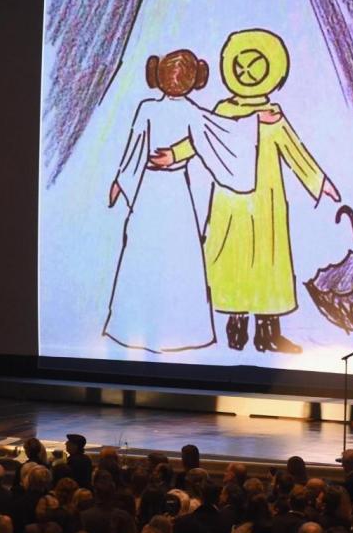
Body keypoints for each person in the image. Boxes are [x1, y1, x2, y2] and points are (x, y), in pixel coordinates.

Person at [152, 29, 340, 353]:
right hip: (231, 203)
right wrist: (173, 154)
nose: (247, 73)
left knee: (268, 262)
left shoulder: (273, 116)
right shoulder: (225, 111)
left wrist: (319, 182)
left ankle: (268, 334)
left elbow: (295, 151)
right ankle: (235, 328)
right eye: (242, 66)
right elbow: (203, 137)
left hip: (266, 202)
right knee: (232, 260)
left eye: (255, 66)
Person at [105, 48, 279, 353]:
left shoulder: (191, 112)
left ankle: (182, 332)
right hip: (153, 190)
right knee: (145, 250)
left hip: (174, 192)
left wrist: (255, 118)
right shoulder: (149, 109)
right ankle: (132, 326)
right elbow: (135, 147)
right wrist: (122, 180)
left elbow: (221, 132)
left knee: (179, 255)